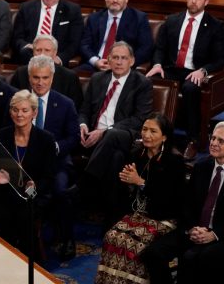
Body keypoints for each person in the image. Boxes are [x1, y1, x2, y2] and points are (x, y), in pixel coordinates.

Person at [95, 114, 186, 283]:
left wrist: (141, 183)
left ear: (164, 136)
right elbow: (126, 191)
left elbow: (170, 199)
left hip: (163, 216)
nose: (146, 135)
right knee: (112, 236)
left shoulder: (174, 161)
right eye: (144, 129)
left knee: (133, 243)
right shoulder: (137, 154)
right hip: (138, 213)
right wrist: (127, 182)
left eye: (153, 131)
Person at [146, 0, 224, 159]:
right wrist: (157, 64)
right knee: (150, 81)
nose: (193, 1)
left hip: (194, 72)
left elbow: (220, 59)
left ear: (206, 2)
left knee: (190, 88)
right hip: (172, 69)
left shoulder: (215, 26)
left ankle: (193, 139)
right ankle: (153, 134)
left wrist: (203, 70)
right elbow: (159, 48)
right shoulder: (172, 20)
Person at [141, 121, 224, 283]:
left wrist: (214, 235)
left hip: (221, 235)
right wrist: (191, 228)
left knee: (193, 258)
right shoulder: (201, 167)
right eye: (212, 138)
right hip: (195, 230)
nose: (214, 143)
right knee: (153, 254)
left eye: (221, 141)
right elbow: (188, 204)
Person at [74, 42, 154, 205]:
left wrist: (104, 131)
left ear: (132, 61)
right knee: (115, 157)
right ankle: (106, 208)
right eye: (115, 58)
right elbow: (84, 110)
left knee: (111, 134)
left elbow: (140, 119)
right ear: (108, 60)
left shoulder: (142, 83)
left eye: (123, 58)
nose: (119, 62)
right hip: (95, 136)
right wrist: (83, 125)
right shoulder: (97, 79)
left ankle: (83, 185)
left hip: (125, 135)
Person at [25, 55, 80, 258]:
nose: (40, 82)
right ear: (29, 77)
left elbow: (73, 137)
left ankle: (67, 239)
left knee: (61, 190)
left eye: (45, 78)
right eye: (36, 77)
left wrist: (53, 147)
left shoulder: (65, 104)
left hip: (56, 162)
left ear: (52, 78)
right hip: (24, 162)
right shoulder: (20, 100)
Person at [0, 90, 56, 255]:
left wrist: (34, 187)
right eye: (15, 109)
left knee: (25, 215)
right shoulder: (0, 136)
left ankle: (29, 265)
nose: (19, 114)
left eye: (25, 110)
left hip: (33, 196)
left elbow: (49, 177)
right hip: (5, 194)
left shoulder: (46, 139)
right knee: (3, 214)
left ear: (34, 112)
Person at [80, 0, 155, 71]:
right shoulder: (94, 18)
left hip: (124, 68)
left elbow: (145, 48)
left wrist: (122, 64)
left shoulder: (139, 19)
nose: (115, 0)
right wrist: (96, 61)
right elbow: (84, 45)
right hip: (96, 65)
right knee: (71, 76)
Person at [11, 0, 83, 65]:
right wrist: (27, 46)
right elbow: (16, 38)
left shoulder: (72, 10)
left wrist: (60, 58)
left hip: (55, 58)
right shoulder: (26, 8)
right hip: (30, 55)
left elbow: (75, 43)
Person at [10, 35, 83, 108]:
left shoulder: (69, 77)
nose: (42, 54)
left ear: (55, 53)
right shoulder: (20, 73)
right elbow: (13, 104)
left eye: (47, 50)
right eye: (38, 50)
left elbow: (75, 109)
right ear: (33, 52)